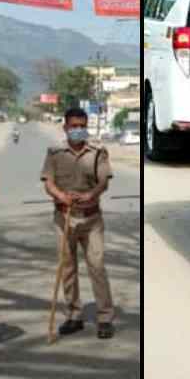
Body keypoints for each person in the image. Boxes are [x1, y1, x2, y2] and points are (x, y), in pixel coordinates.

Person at [40, 107, 116, 339]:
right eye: (73, 126)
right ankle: (74, 315)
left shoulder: (98, 153)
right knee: (67, 268)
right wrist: (59, 196)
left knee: (97, 266)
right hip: (63, 218)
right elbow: (48, 182)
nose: (77, 130)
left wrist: (91, 194)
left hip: (91, 218)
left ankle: (104, 318)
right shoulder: (54, 153)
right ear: (65, 127)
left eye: (82, 125)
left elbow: (103, 182)